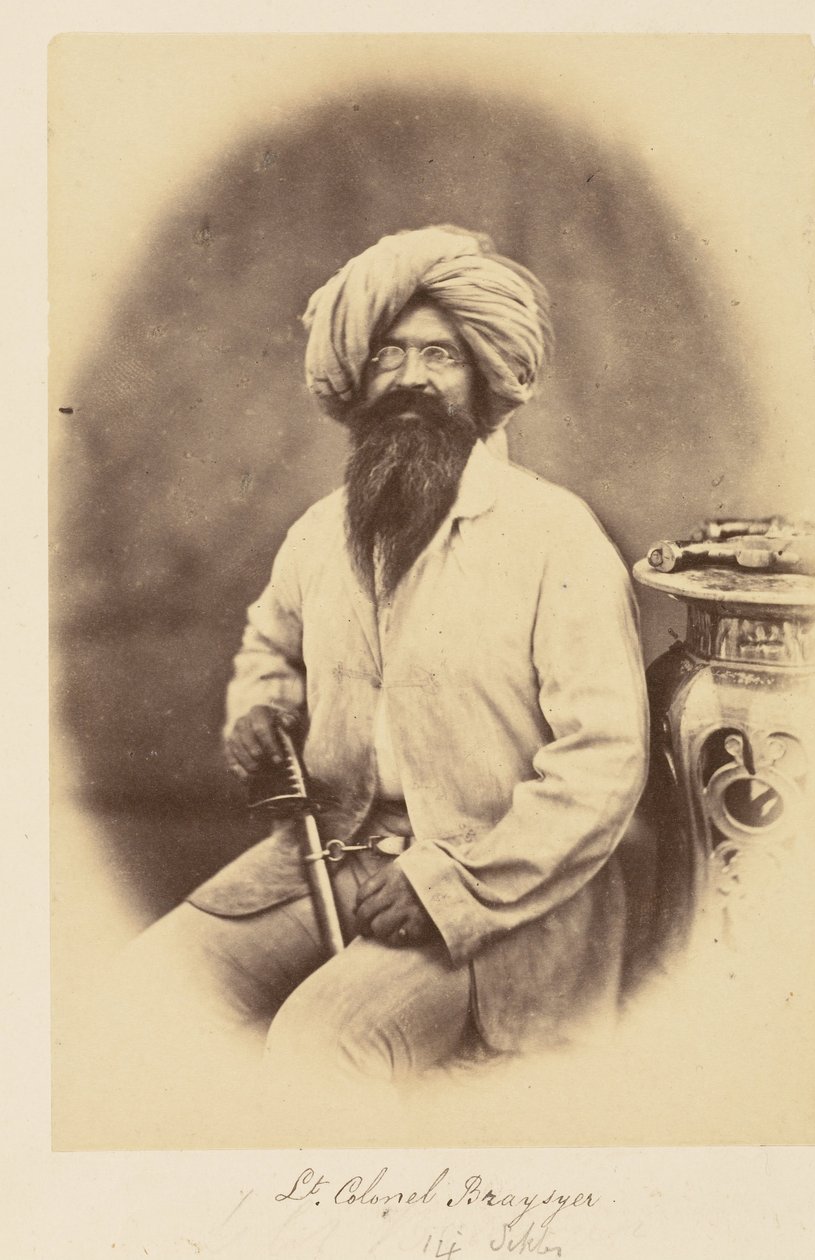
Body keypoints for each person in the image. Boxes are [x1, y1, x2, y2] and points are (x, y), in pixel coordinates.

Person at [122, 224, 649, 1098]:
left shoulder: (556, 536)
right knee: (142, 996)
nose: (412, 379)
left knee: (321, 1049)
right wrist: (260, 709)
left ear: (483, 379)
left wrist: (452, 889)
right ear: (357, 380)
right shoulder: (320, 532)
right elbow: (270, 646)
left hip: (505, 886)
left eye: (441, 355)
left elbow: (605, 761)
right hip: (334, 852)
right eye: (388, 355)